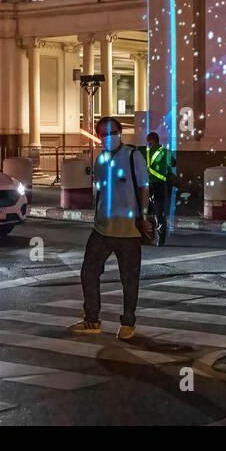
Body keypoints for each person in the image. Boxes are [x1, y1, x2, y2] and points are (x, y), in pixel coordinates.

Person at [70, 118, 151, 339]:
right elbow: (100, 191)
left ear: (120, 133)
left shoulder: (134, 156)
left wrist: (143, 217)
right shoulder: (100, 160)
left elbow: (144, 188)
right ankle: (92, 320)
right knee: (88, 272)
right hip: (102, 229)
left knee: (129, 279)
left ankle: (128, 322)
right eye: (102, 134)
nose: (107, 137)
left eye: (111, 133)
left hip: (129, 230)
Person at [145, 131, 175, 246]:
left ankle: (147, 237)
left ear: (151, 141)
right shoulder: (165, 152)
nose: (148, 144)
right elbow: (172, 163)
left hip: (147, 186)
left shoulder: (146, 152)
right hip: (159, 186)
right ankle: (160, 240)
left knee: (145, 212)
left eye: (149, 142)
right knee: (160, 213)